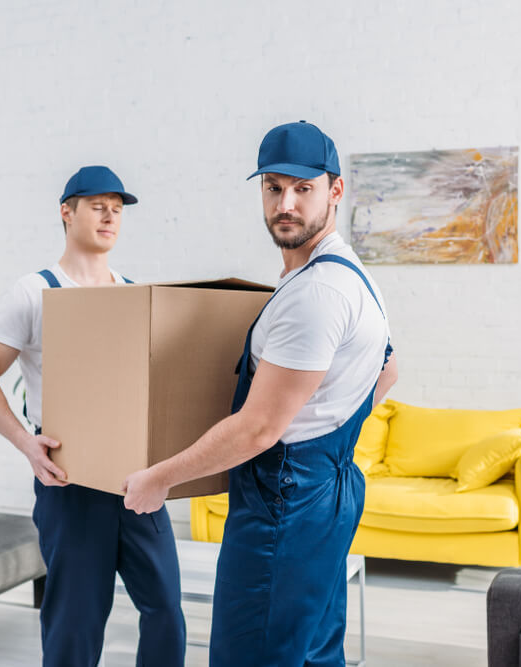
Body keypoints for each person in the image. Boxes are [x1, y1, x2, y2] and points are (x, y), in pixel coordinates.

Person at [123, 121, 398, 666]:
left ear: (335, 190)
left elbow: (259, 428)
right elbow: (387, 372)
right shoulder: (348, 275)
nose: (286, 203)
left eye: (303, 188)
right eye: (273, 188)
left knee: (250, 654)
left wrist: (158, 478)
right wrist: (326, 420)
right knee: (314, 652)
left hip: (285, 502)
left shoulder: (315, 292)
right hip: (327, 491)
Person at [0, 165, 185, 667]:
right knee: (76, 619)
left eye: (117, 209)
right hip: (71, 481)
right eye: (97, 206)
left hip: (136, 477)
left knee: (166, 608)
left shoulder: (133, 292)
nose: (110, 217)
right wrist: (25, 443)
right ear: (67, 212)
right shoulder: (33, 291)